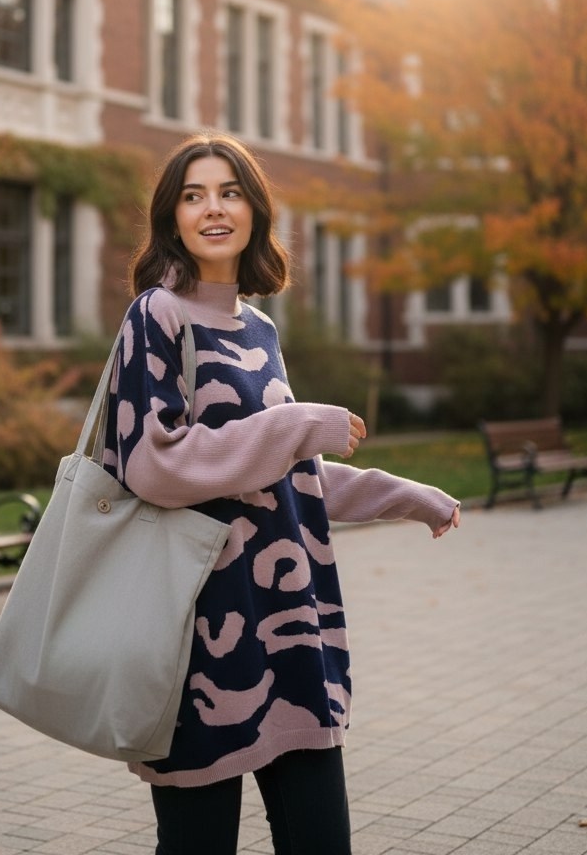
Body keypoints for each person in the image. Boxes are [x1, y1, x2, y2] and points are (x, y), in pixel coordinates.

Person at [102, 131, 461, 855]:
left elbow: (284, 474)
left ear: (255, 213)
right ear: (171, 217)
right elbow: (154, 464)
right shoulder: (157, 316)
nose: (212, 208)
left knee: (322, 842)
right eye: (192, 195)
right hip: (201, 636)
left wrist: (401, 493)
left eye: (230, 192)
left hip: (291, 625)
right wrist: (298, 422)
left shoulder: (260, 330)